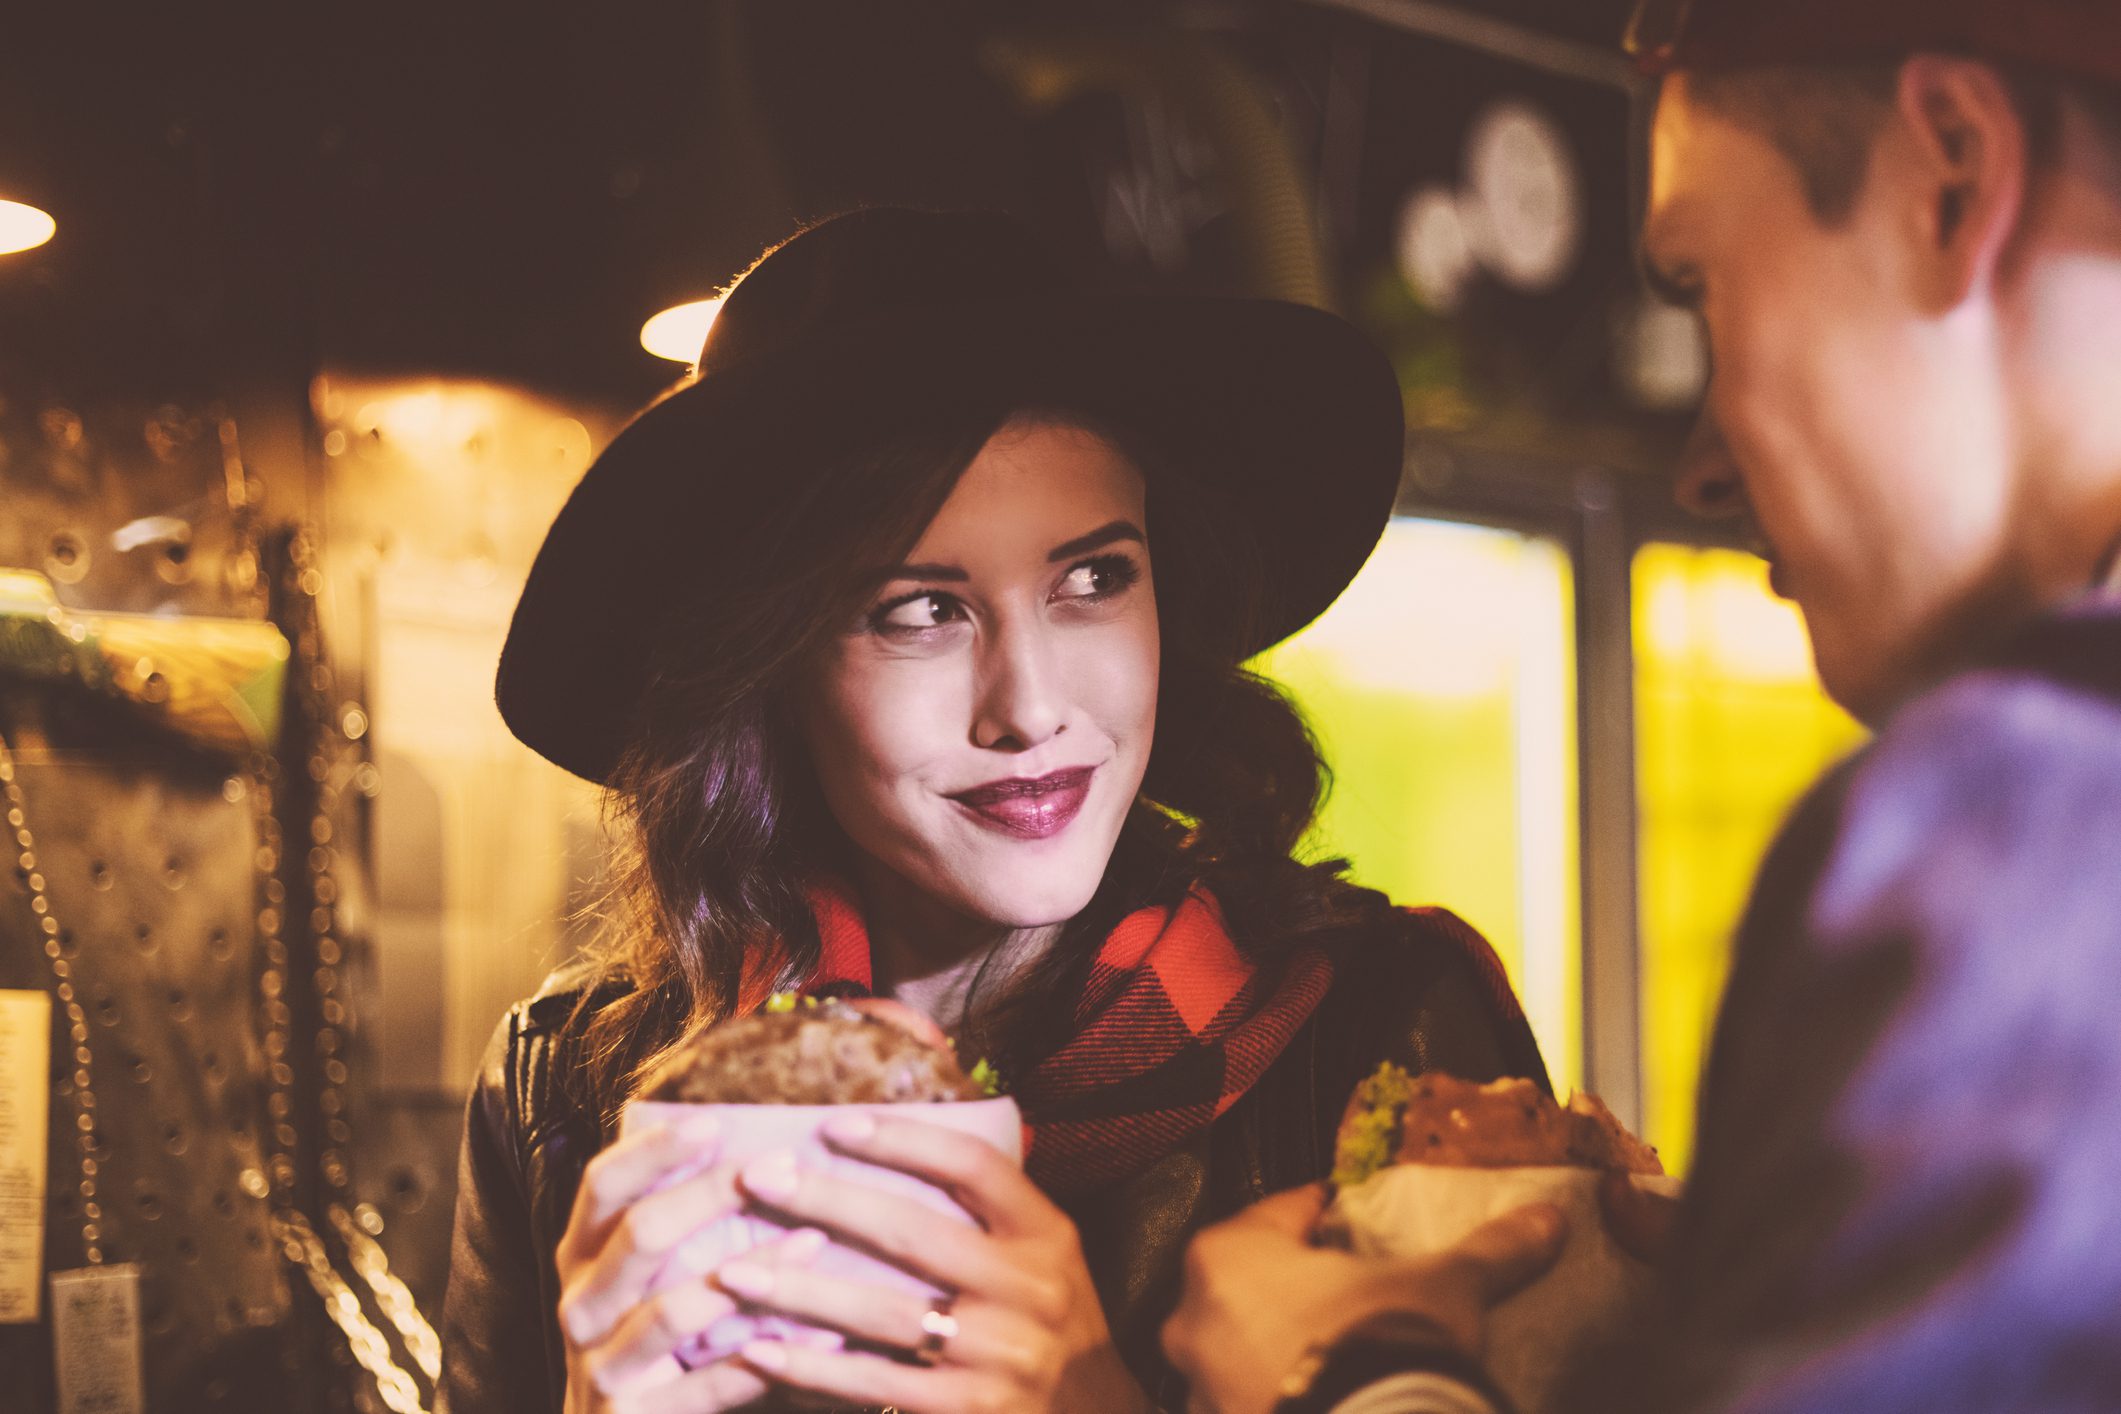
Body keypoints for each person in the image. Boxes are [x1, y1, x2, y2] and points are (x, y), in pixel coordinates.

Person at [1162, 1, 2121, 1410]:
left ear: (1954, 173)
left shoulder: (2027, 808)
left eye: (1701, 285)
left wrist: (1349, 1374)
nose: (1700, 466)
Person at [435, 206, 1552, 1414]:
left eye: (1093, 578)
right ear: (773, 664)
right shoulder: (568, 1096)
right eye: (921, 610)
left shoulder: (1379, 1035)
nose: (1028, 708)